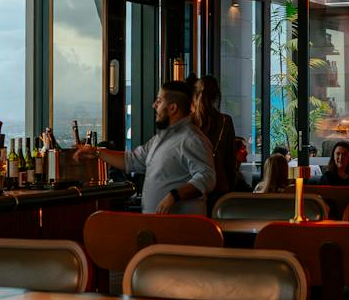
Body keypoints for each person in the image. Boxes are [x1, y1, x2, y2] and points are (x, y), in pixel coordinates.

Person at [74, 81, 214, 215]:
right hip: (160, 224)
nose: (154, 105)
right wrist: (97, 152)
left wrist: (174, 196)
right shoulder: (161, 139)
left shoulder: (192, 138)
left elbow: (207, 177)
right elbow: (132, 160)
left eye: (159, 101)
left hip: (182, 227)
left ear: (173, 108)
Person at [191, 76, 240, 209]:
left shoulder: (189, 122)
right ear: (216, 96)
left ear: (195, 96)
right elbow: (230, 160)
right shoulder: (225, 121)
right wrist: (232, 187)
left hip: (194, 187)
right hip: (220, 186)